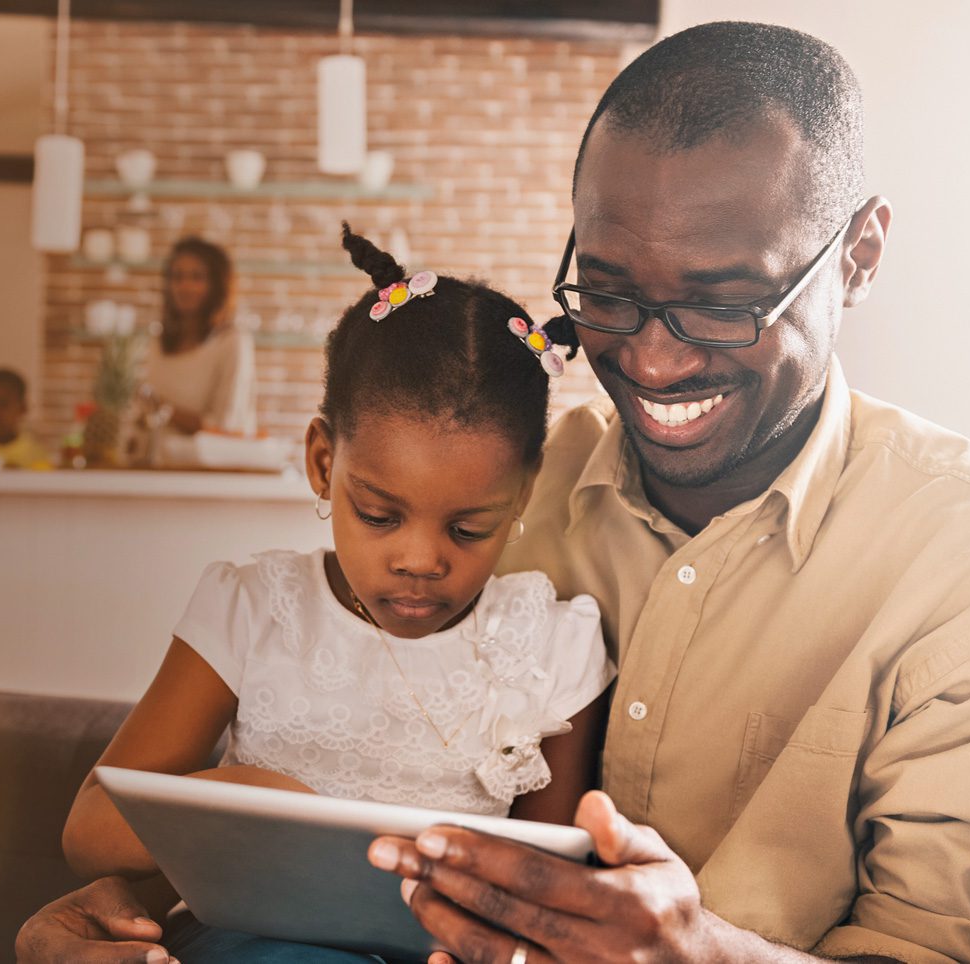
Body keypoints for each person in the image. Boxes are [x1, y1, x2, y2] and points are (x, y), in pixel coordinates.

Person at [16, 21, 970, 964]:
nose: (650, 356)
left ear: (860, 255)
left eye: (723, 300)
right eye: (606, 291)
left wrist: (702, 952)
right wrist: (129, 910)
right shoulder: (499, 485)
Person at [60, 226, 615, 962]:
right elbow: (88, 831)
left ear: (522, 497)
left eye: (469, 529)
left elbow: (547, 882)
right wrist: (249, 800)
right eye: (380, 516)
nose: (420, 560)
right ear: (323, 463)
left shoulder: (552, 645)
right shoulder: (254, 610)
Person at [138, 237, 257, 443]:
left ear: (217, 285)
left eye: (197, 277)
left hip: (208, 471)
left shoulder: (232, 342)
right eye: (177, 277)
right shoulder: (158, 343)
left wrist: (164, 410)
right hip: (157, 467)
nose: (185, 286)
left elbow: (226, 425)